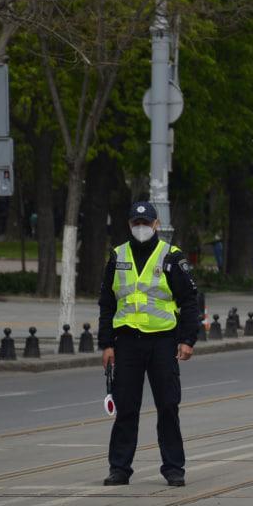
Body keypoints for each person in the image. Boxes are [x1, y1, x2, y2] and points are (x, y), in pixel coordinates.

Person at [98, 202, 200, 487]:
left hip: (163, 341)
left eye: (146, 222)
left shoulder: (171, 256)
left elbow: (189, 300)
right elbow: (107, 303)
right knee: (126, 407)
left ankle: (173, 468)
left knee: (168, 405)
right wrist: (106, 344)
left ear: (156, 225)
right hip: (127, 342)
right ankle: (119, 468)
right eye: (136, 222)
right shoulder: (118, 256)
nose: (140, 227)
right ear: (129, 224)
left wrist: (187, 339)